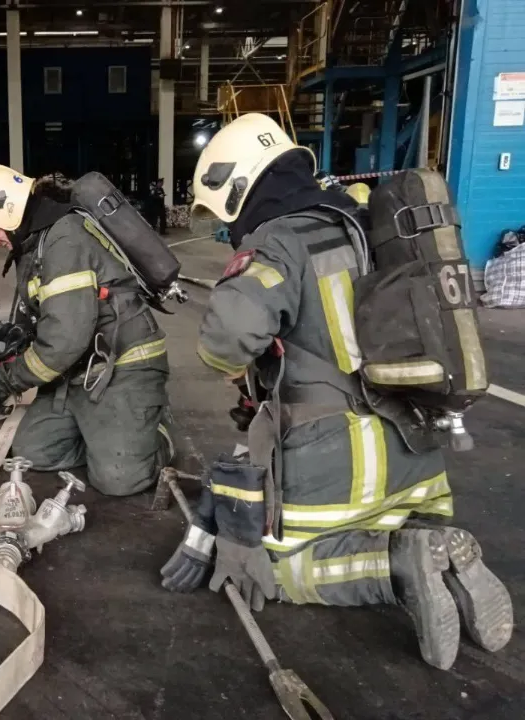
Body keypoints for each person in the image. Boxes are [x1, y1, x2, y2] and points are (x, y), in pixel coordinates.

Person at [160, 113, 512, 670]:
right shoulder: (368, 220)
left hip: (340, 460)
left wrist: (239, 367)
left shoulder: (281, 237)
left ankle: (397, 564)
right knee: (397, 520)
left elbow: (225, 338)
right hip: (417, 447)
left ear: (238, 183)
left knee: (278, 567)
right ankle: (436, 546)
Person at [0, 165, 174, 496]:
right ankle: (109, 435)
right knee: (33, 453)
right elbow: (43, 320)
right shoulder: (35, 244)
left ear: (8, 208)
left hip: (124, 367)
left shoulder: (65, 238)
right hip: (77, 373)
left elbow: (63, 341)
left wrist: (6, 383)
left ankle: (151, 434)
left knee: (118, 479)